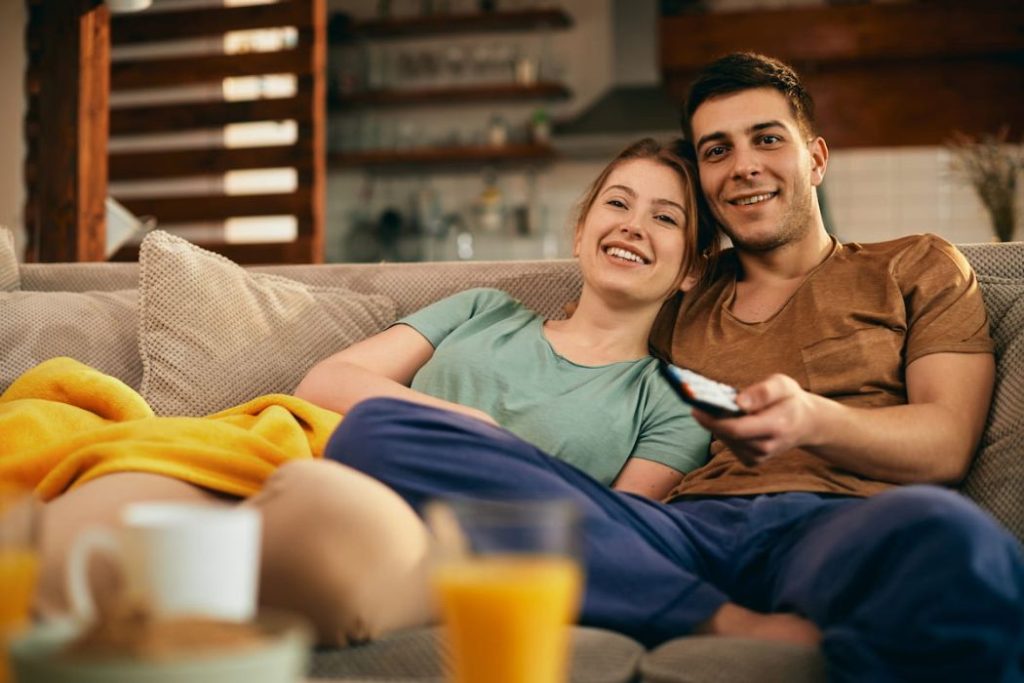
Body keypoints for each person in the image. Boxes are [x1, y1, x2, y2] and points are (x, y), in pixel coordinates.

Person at [323, 53, 1024, 681]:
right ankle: (712, 615)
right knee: (380, 431)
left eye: (767, 139)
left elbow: (945, 442)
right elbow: (595, 305)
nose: (742, 164)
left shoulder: (915, 264)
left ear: (816, 158)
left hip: (835, 525)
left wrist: (813, 419)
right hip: (678, 532)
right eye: (717, 149)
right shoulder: (683, 282)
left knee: (956, 540)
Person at [34, 139, 717, 643]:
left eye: (665, 218)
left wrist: (478, 464)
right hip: (291, 453)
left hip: (427, 537)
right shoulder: (485, 309)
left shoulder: (668, 402)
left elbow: (617, 536)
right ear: (581, 229)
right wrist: (470, 425)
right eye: (618, 203)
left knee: (315, 539)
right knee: (75, 538)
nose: (632, 224)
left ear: (692, 267)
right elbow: (327, 381)